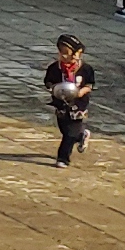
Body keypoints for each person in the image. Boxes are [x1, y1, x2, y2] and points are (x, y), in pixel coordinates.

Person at [45, 34, 94, 167]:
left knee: (69, 133)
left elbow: (90, 84)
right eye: (63, 54)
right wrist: (54, 89)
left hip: (79, 104)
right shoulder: (55, 68)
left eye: (70, 54)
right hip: (61, 103)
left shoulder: (85, 69)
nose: (67, 57)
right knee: (64, 129)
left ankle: (63, 158)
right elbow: (48, 82)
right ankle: (81, 136)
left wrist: (80, 92)